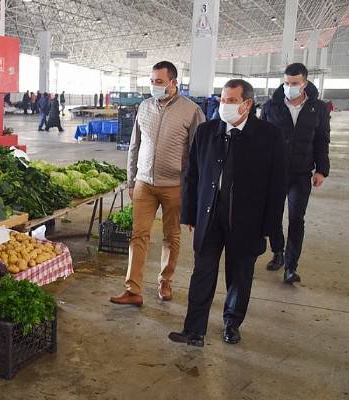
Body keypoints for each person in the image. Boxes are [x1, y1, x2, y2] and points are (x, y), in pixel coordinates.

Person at [168, 79, 285, 347]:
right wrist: (190, 213)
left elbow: (276, 185)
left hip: (247, 220)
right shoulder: (207, 131)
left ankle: (231, 324)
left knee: (240, 275)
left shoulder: (269, 136)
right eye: (222, 99)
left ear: (247, 104)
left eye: (231, 101)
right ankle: (194, 330)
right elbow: (193, 174)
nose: (224, 105)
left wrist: (270, 226)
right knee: (203, 273)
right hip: (210, 215)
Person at [109, 61, 205, 306]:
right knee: (138, 235)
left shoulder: (191, 111)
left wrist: (193, 192)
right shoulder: (144, 107)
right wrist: (132, 180)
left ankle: (165, 281)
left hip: (175, 185)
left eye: (159, 82)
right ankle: (133, 289)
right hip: (144, 182)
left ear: (174, 83)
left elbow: (199, 155)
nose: (154, 86)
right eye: (152, 81)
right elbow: (134, 145)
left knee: (171, 236)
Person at [260, 63, 330, 284]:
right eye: (287, 83)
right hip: (275, 171)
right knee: (273, 214)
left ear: (305, 84)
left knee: (296, 218)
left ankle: (291, 266)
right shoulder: (272, 107)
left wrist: (321, 170)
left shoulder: (317, 108)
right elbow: (260, 140)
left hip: (301, 173)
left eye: (295, 83)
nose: (290, 87)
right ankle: (278, 251)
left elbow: (322, 140)